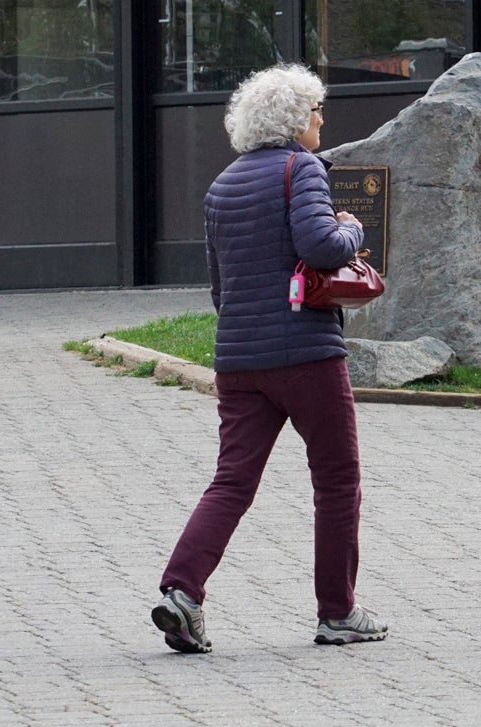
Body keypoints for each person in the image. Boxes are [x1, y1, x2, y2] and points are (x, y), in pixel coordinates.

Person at [153, 63, 387, 653]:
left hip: (238, 359)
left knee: (231, 482)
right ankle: (337, 613)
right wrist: (353, 228)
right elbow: (319, 245)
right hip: (306, 352)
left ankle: (181, 592)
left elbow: (218, 285)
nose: (321, 120)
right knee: (337, 481)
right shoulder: (301, 167)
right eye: (315, 111)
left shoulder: (222, 184)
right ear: (293, 120)